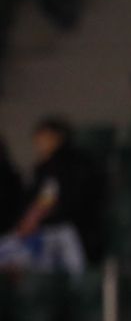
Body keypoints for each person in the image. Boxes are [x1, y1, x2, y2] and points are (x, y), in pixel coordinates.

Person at [0, 117, 104, 274]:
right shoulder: (43, 171)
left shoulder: (75, 166)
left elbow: (70, 202)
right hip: (34, 234)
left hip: (67, 232)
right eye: (38, 140)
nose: (40, 144)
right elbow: (40, 201)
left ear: (59, 137)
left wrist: (42, 221)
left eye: (45, 138)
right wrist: (26, 221)